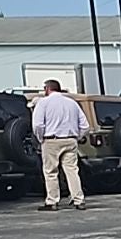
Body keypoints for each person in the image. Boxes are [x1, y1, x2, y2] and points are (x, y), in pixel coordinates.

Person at [30, 80, 89, 211]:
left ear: (47, 89)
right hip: (70, 140)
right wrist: (77, 137)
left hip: (51, 140)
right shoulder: (72, 103)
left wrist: (41, 138)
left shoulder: (43, 103)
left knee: (51, 172)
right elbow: (85, 126)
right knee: (72, 171)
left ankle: (52, 201)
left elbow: (38, 125)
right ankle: (79, 200)